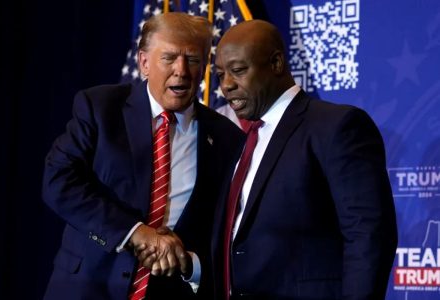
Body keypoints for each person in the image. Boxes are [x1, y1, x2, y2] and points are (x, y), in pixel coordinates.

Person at [42, 12, 245, 300]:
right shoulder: (100, 108)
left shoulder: (227, 138)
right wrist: (135, 232)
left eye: (193, 59)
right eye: (169, 58)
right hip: (87, 287)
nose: (182, 70)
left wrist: (190, 264)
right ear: (144, 62)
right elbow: (58, 181)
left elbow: (224, 233)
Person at [212, 20, 398, 300]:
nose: (226, 85)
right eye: (220, 75)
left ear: (276, 63)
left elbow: (368, 236)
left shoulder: (336, 126)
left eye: (238, 71)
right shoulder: (239, 141)